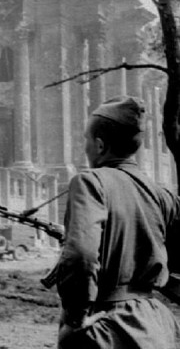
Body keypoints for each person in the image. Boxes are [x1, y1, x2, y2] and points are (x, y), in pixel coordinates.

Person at [56, 96, 180, 348]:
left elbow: (81, 257)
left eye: (86, 140)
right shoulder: (163, 194)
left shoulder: (90, 182)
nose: (85, 147)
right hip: (155, 324)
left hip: (107, 325)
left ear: (100, 145)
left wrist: (76, 317)